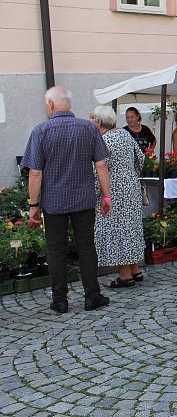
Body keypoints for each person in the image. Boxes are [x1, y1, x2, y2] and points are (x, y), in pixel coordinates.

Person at [21, 87, 112, 314]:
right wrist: (107, 195)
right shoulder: (89, 128)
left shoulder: (41, 130)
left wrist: (33, 204)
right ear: (69, 104)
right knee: (86, 247)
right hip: (84, 200)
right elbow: (101, 164)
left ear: (51, 104)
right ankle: (93, 296)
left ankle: (60, 300)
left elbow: (35, 172)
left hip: (54, 203)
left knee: (56, 250)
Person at [89, 106, 145, 288]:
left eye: (93, 120)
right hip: (131, 185)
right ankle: (135, 269)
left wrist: (97, 192)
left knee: (117, 230)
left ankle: (125, 275)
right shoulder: (124, 134)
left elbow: (100, 168)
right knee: (130, 227)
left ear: (98, 121)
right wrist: (131, 174)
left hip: (113, 189)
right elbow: (141, 158)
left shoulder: (103, 140)